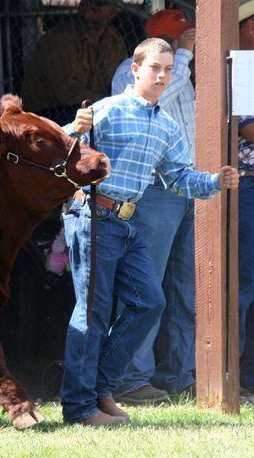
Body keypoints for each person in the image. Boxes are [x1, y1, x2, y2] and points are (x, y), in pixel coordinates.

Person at [61, 37, 239, 426]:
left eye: (168, 70)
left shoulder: (167, 126)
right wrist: (74, 127)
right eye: (155, 68)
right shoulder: (105, 111)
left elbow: (177, 178)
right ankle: (79, 408)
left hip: (127, 222)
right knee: (92, 312)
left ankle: (100, 389)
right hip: (92, 216)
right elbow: (57, 151)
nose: (161, 75)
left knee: (149, 303)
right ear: (135, 70)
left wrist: (215, 180)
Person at [109, 8, 196, 405]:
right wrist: (188, 57)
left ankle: (179, 374)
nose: (167, 66)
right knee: (145, 287)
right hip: (154, 191)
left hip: (190, 186)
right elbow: (162, 90)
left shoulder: (182, 68)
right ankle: (131, 378)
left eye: (176, 50)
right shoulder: (131, 71)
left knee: (186, 289)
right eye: (177, 39)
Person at [20, 0, 127, 124]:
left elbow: (123, 82)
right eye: (84, 4)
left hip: (95, 107)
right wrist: (112, 103)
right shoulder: (60, 40)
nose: (87, 15)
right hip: (49, 114)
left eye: (96, 8)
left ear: (113, 12)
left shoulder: (115, 40)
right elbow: (70, 95)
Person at [237, 0, 254, 398]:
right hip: (248, 184)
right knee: (246, 284)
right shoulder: (244, 67)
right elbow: (249, 129)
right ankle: (240, 375)